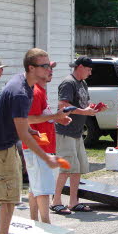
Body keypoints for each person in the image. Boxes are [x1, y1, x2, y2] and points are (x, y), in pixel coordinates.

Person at [0, 48, 60, 234]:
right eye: (44, 66)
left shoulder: (23, 83)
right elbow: (22, 133)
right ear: (31, 68)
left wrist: (28, 129)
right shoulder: (21, 93)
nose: (49, 69)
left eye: (49, 65)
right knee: (10, 195)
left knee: (3, 186)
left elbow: (20, 122)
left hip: (2, 142)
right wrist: (46, 157)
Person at [52, 56, 107, 213]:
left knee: (78, 168)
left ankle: (73, 202)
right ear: (80, 67)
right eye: (89, 70)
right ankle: (56, 201)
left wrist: (94, 108)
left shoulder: (82, 83)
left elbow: (83, 104)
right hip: (65, 132)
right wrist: (84, 111)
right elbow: (63, 105)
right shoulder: (68, 83)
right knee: (66, 168)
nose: (90, 73)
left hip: (77, 132)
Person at [23, 61, 72, 222]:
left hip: (43, 146)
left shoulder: (41, 92)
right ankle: (46, 224)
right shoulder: (36, 92)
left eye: (51, 69)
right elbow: (28, 119)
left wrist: (58, 120)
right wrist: (55, 117)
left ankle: (34, 222)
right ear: (36, 71)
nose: (50, 71)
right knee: (43, 189)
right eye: (46, 68)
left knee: (36, 188)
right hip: (38, 147)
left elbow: (42, 118)